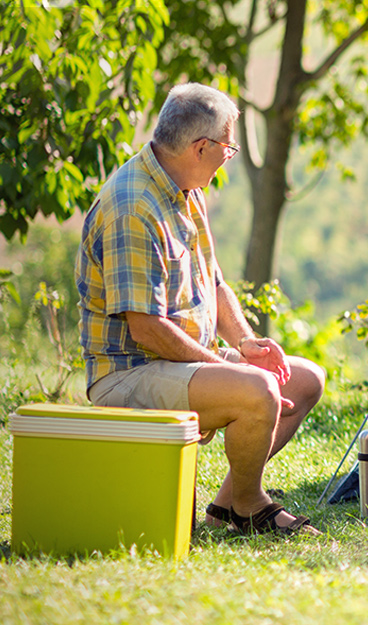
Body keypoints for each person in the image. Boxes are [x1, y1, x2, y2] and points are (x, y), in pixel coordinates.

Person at [76, 83, 326, 537]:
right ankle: (251, 505)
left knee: (305, 378)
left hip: (179, 360)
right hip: (129, 372)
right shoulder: (133, 207)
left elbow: (214, 283)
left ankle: (228, 504)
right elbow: (147, 329)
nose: (228, 156)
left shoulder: (186, 188)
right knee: (258, 390)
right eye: (228, 147)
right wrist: (228, 372)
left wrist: (246, 344)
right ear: (200, 147)